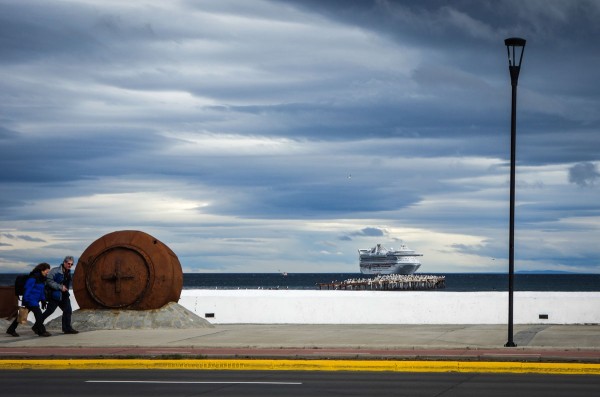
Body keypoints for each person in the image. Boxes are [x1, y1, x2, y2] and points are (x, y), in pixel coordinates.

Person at [6, 262, 51, 337]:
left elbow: (41, 291)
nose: (47, 273)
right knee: (39, 315)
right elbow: (27, 289)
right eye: (47, 271)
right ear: (42, 270)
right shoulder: (33, 278)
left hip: (34, 300)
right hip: (30, 300)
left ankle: (11, 329)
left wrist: (43, 300)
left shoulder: (42, 279)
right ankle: (40, 331)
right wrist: (25, 300)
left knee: (21, 315)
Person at [41, 256, 78, 334]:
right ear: (64, 262)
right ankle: (37, 325)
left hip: (64, 296)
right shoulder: (55, 271)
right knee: (49, 311)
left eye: (71, 264)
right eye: (68, 264)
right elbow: (49, 281)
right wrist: (60, 287)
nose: (70, 266)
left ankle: (67, 329)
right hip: (55, 295)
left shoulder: (68, 272)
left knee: (68, 311)